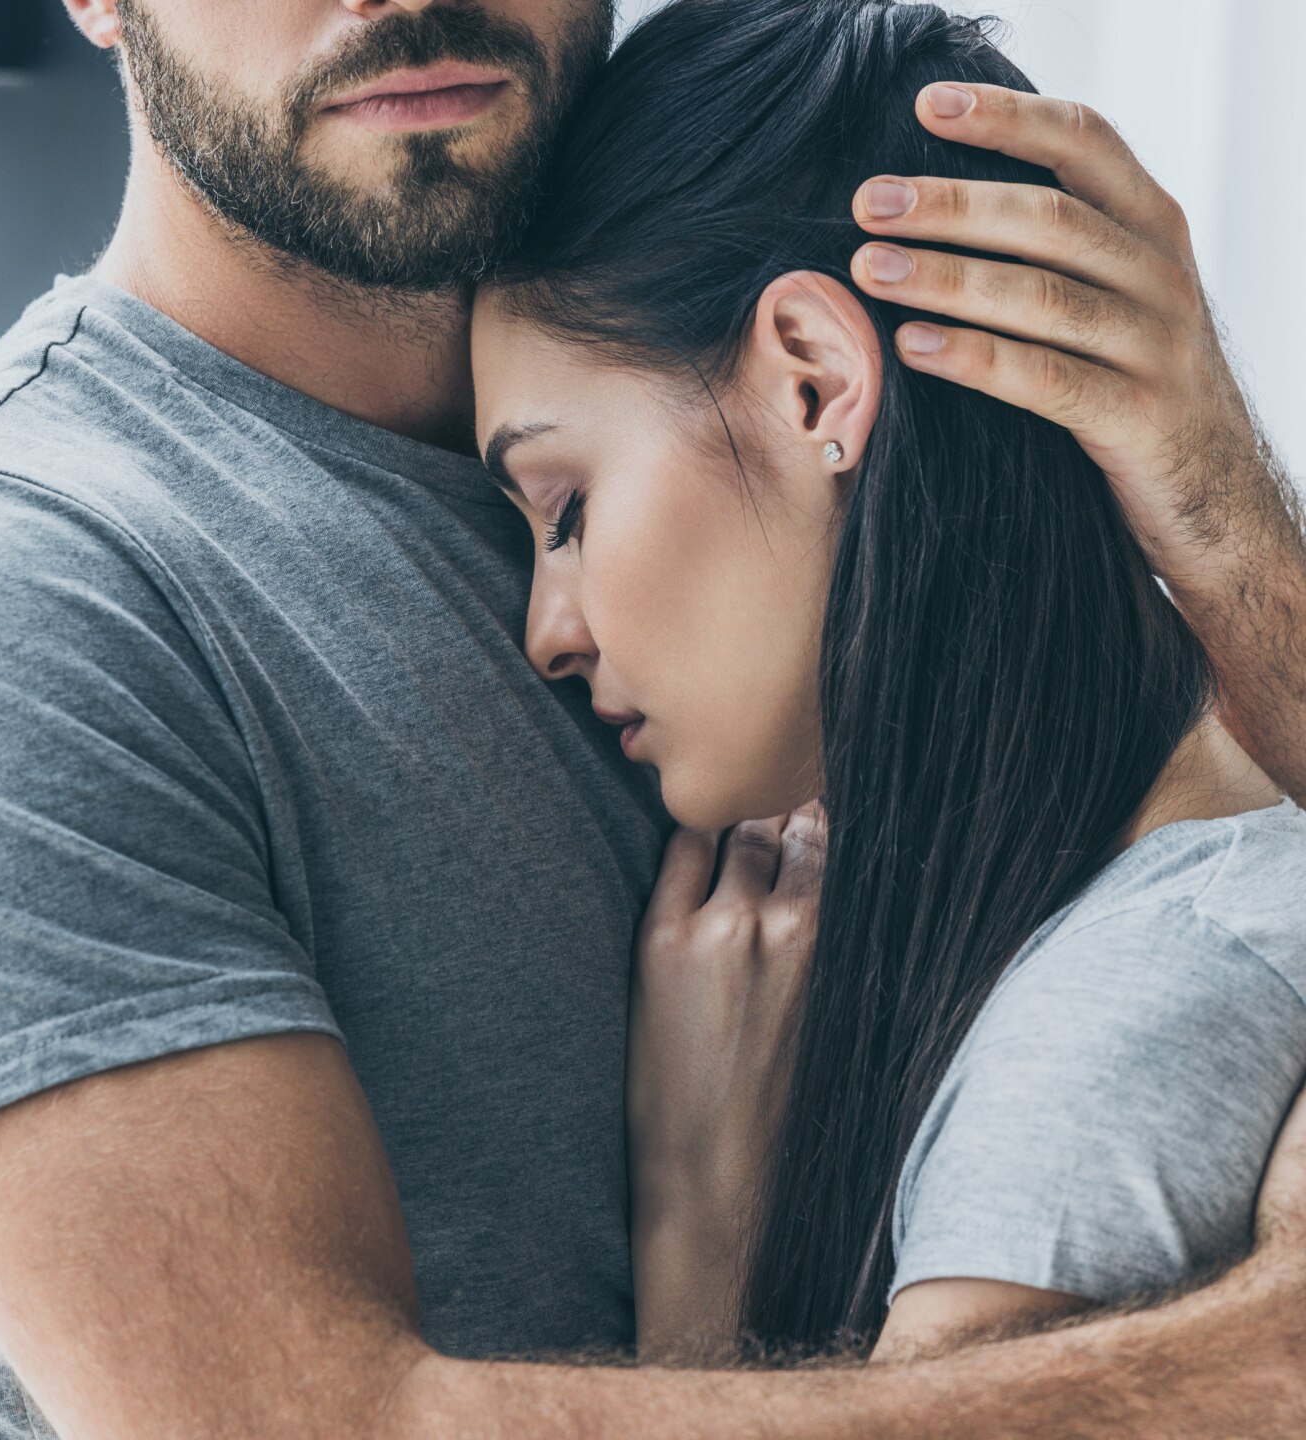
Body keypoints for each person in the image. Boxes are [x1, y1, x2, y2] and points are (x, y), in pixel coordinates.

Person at [0, 0, 1300, 1435]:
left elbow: (1210, 896)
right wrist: (1250, 1356)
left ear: (818, 383)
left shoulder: (794, 500)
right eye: (544, 515)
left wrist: (1229, 529)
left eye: (561, 513)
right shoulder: (2, 588)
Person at [469, 0, 1306, 1369]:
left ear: (811, 382)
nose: (546, 635)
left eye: (565, 508)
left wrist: (700, 1247)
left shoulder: (1121, 1027)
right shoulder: (1146, 888)